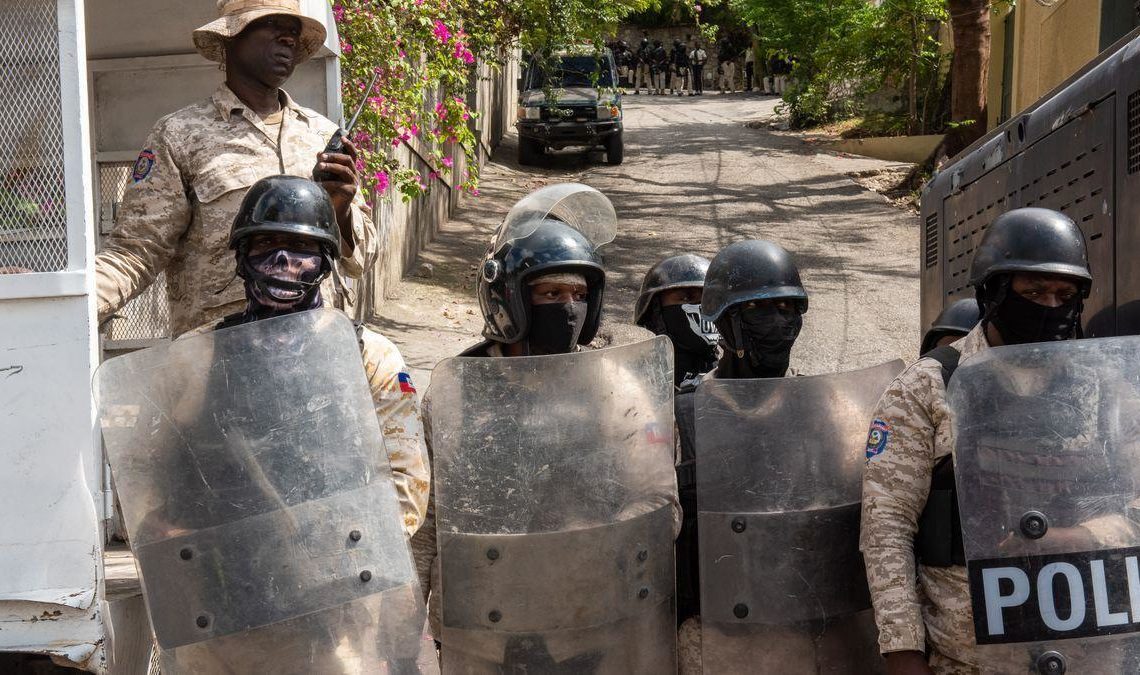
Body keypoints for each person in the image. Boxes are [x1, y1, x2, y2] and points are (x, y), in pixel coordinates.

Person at [410, 185, 681, 669]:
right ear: (510, 299)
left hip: (585, 617)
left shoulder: (612, 384)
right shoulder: (459, 390)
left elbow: (660, 499)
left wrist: (598, 541)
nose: (568, 308)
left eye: (579, 295)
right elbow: (424, 522)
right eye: (550, 293)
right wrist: (407, 626)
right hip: (483, 627)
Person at [860, 208, 1098, 674]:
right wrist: (902, 649)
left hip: (1088, 650)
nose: (1050, 306)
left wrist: (1083, 534)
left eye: (1064, 294)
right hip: (967, 656)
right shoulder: (929, 385)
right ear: (993, 293)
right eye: (1033, 292)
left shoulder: (1097, 387)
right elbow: (887, 524)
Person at [94, 0, 376, 338]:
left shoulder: (321, 134)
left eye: (293, 31)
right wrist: (65, 301)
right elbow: (136, 251)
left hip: (314, 350)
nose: (288, 38)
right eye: (272, 24)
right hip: (221, 356)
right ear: (232, 37)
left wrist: (340, 210)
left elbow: (361, 261)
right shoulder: (181, 134)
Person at [200, 175, 430, 535]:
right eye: (266, 242)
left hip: (345, 561)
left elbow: (405, 483)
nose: (282, 260)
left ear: (324, 262)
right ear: (243, 257)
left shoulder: (371, 356)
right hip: (229, 560)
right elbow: (160, 472)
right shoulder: (200, 353)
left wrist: (351, 547)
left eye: (300, 247)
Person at [634, 254, 718, 388]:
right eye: (686, 298)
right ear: (655, 311)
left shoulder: (732, 372)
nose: (701, 307)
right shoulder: (636, 379)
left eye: (707, 300)